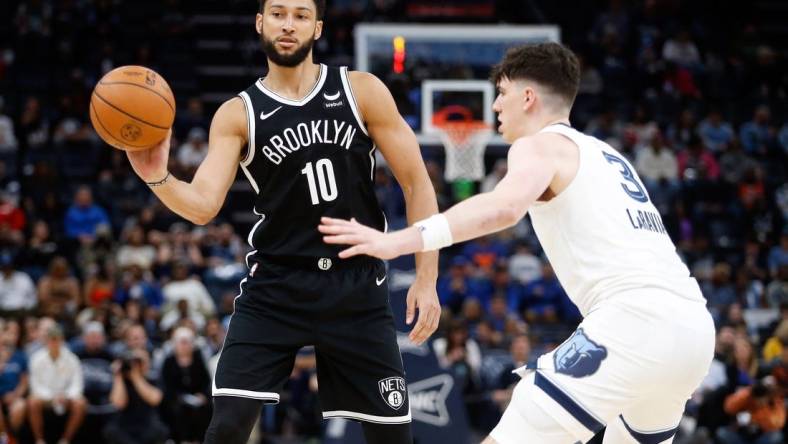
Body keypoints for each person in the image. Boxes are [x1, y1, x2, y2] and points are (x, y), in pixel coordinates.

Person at [320, 42, 715, 443]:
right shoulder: (607, 154)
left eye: (502, 94)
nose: (495, 108)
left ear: (528, 98)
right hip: (694, 330)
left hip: (635, 321)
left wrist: (398, 242)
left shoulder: (539, 144)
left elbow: (504, 208)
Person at [123, 1, 440, 443]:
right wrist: (155, 175)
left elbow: (417, 184)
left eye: (300, 15)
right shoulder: (237, 114)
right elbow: (202, 205)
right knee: (228, 427)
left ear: (317, 27)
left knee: (392, 439)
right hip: (276, 286)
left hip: (356, 287)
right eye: (277, 13)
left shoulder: (361, 90)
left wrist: (427, 278)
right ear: (260, 23)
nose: (288, 24)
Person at [27, 324, 86, 444]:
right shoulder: (36, 358)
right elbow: (35, 385)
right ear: (46, 341)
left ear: (62, 340)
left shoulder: (72, 359)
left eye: (57, 339)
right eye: (51, 339)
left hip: (66, 398)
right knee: (32, 401)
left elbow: (77, 383)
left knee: (81, 403)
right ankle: (39, 440)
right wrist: (52, 397)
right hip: (45, 398)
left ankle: (65, 440)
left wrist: (66, 396)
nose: (54, 343)